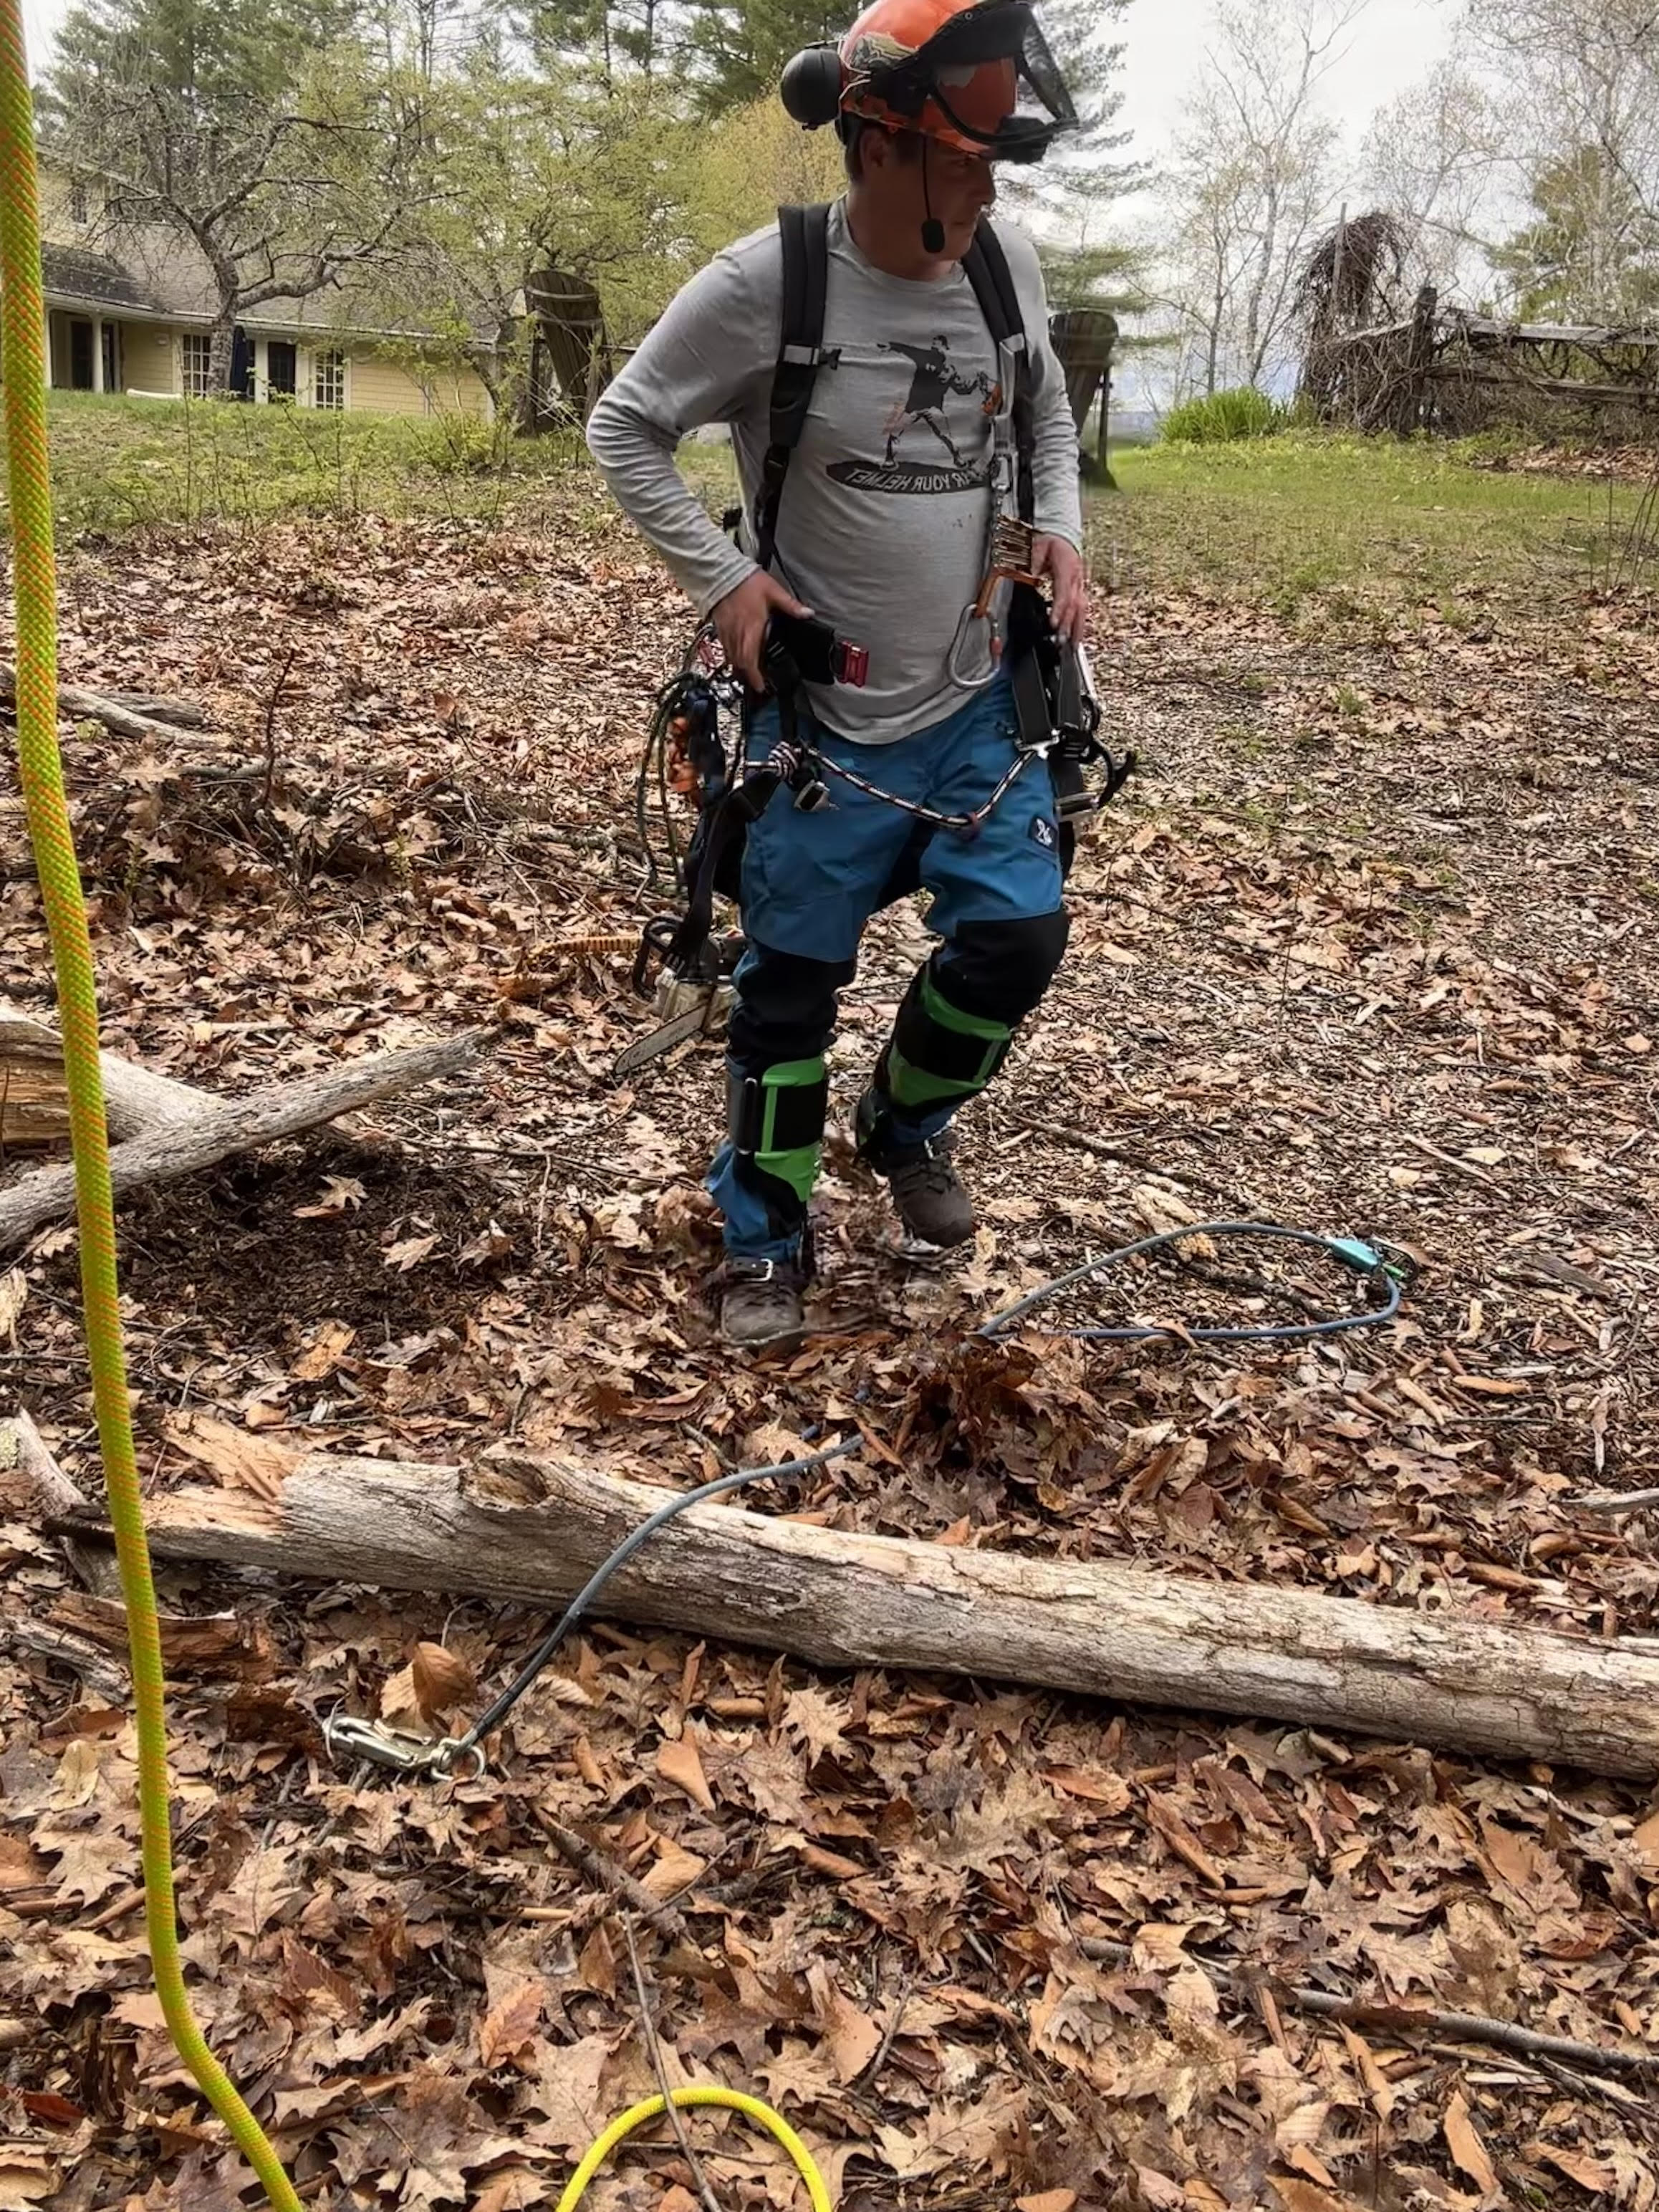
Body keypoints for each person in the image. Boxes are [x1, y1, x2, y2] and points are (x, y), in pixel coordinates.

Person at [587, 0, 1089, 1345]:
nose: (987, 189)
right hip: (822, 725)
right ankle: (765, 1235)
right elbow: (623, 426)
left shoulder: (1007, 271)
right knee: (789, 990)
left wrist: (1062, 532)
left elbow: (1042, 405)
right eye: (963, 162)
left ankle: (903, 1122)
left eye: (996, 166)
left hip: (979, 702)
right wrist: (727, 579)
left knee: (1017, 939)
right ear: (874, 144)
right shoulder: (768, 286)